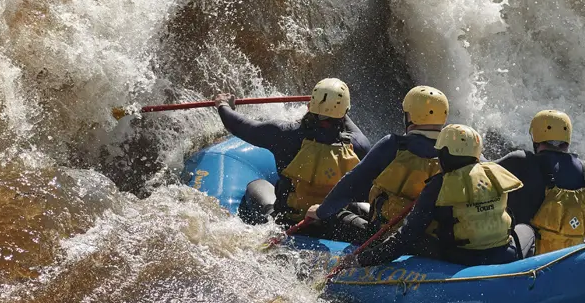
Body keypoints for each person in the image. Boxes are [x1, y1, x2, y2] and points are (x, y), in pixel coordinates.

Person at [345, 124, 535, 268]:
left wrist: (362, 260)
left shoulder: (438, 185)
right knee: (526, 229)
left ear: (444, 154)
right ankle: (522, 275)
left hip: (461, 259)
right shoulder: (494, 173)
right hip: (504, 254)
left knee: (417, 238)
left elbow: (406, 238)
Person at [214, 78, 372, 227]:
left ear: (310, 105)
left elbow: (239, 125)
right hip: (334, 222)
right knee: (362, 205)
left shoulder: (284, 134)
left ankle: (271, 216)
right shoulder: (358, 145)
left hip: (290, 221)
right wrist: (335, 107)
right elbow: (345, 122)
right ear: (344, 111)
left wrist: (223, 105)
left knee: (256, 185)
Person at [304, 86, 448, 243]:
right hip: (434, 241)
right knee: (354, 207)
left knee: (334, 214)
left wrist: (321, 211)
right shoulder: (462, 153)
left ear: (410, 117)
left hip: (389, 238)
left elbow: (353, 182)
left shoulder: (394, 145)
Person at [496, 110, 585, 255]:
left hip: (528, 261)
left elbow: (480, 173)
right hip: (568, 259)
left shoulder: (520, 161)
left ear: (535, 136)